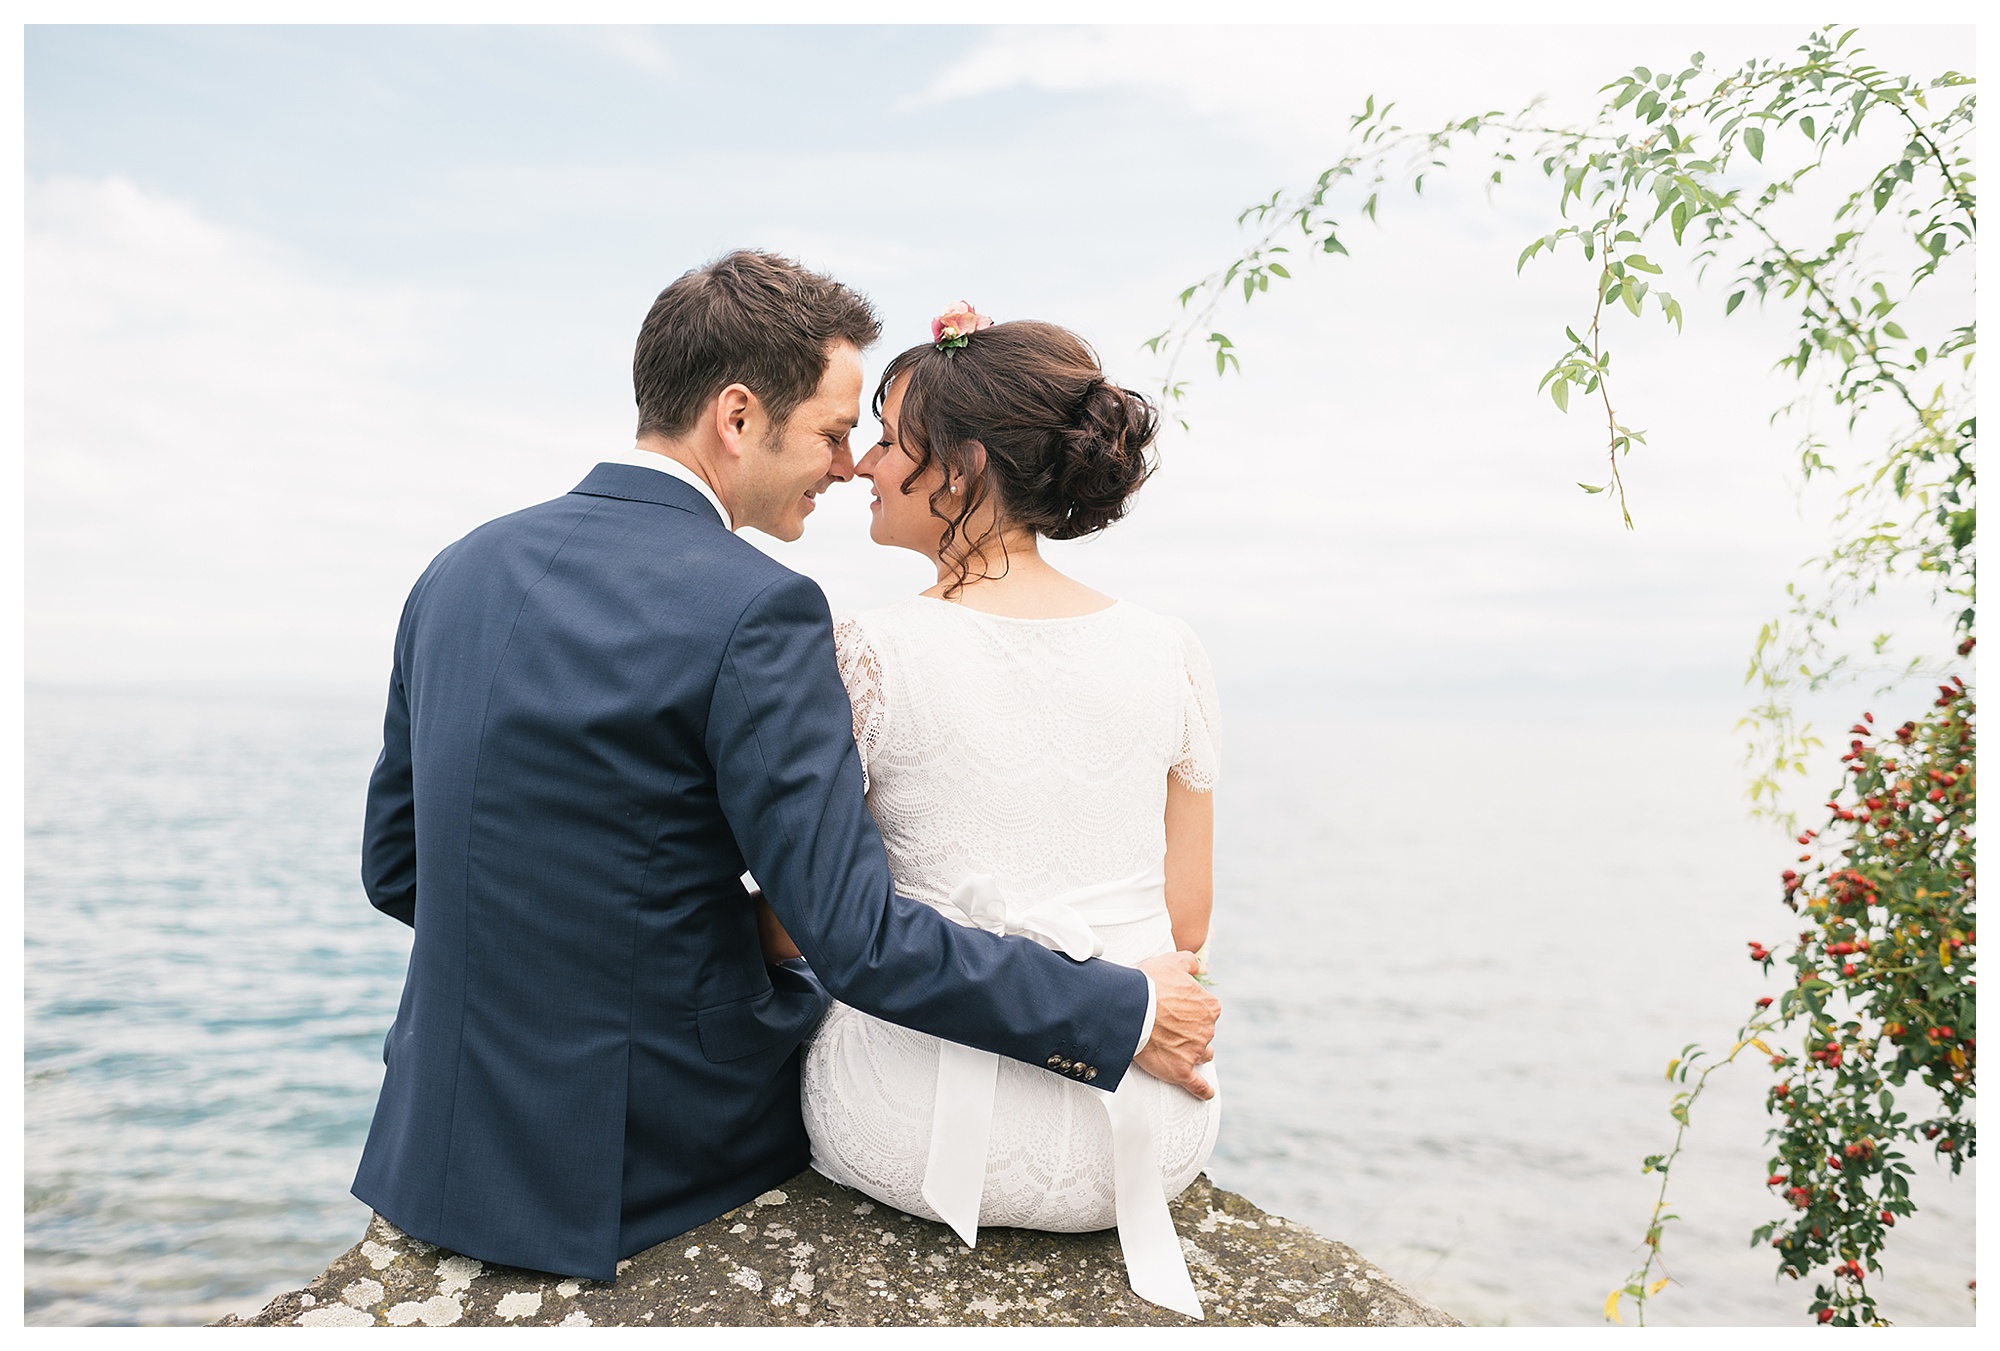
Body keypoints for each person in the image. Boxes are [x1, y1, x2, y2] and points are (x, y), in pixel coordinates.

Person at [351, 253, 1219, 1284]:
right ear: (735, 417)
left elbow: (396, 870)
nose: (850, 463)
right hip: (652, 1153)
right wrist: (1116, 1007)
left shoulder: (456, 569)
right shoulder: (756, 606)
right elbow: (852, 940)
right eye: (833, 428)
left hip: (439, 1141)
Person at [770, 309, 1223, 1318]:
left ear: (963, 466)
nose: (866, 466)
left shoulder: (867, 652)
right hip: (1141, 1128)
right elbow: (1186, 924)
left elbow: (802, 923)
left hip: (909, 1128)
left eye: (889, 438)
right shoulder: (1170, 648)